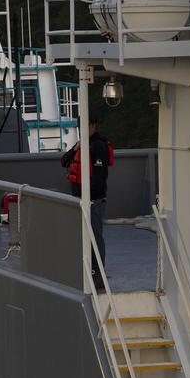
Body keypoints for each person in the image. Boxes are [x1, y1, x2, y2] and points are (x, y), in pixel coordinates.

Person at [61, 117, 114, 291]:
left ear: (93, 126)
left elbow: (100, 175)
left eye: (85, 125)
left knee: (95, 237)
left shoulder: (97, 145)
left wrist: (90, 197)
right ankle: (87, 271)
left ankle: (98, 275)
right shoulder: (82, 143)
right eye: (79, 126)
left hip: (93, 201)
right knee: (84, 237)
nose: (82, 129)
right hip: (81, 200)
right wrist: (75, 148)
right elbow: (64, 161)